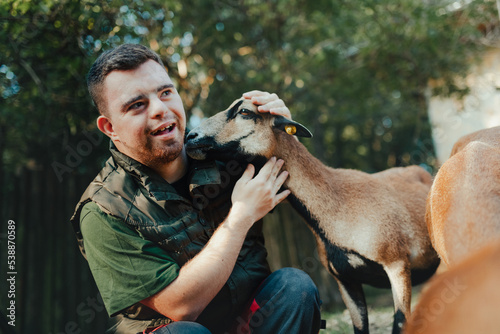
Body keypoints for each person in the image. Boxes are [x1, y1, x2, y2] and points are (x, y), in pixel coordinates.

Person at [70, 43, 321, 334]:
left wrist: (278, 132)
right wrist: (241, 216)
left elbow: (303, 183)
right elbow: (181, 309)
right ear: (109, 127)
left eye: (165, 93)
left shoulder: (224, 154)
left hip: (246, 324)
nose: (160, 110)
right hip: (171, 330)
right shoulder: (102, 210)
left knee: (294, 288)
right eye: (137, 104)